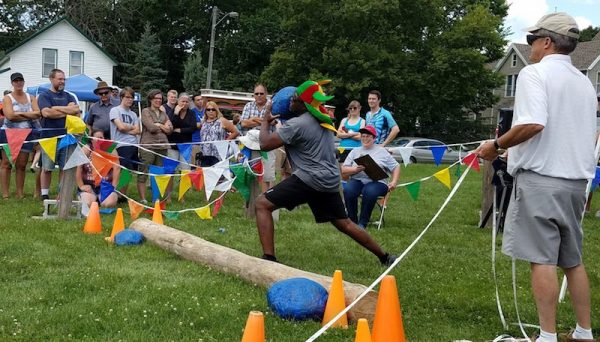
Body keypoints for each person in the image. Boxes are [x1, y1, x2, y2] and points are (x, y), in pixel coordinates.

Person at [476, 12, 596, 342]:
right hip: (575, 183)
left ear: (546, 42)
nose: (529, 46)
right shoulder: (584, 82)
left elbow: (533, 124)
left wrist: (496, 145)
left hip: (542, 180)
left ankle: (546, 336)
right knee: (572, 261)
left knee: (540, 259)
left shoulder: (534, 75)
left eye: (532, 40)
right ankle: (584, 332)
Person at [255, 80, 396, 266]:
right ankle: (385, 257)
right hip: (329, 180)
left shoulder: (297, 124)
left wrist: (265, 121)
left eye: (294, 99)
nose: (290, 101)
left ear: (303, 104)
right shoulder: (323, 120)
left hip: (309, 179)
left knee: (262, 204)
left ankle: (269, 259)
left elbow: (264, 144)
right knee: (344, 223)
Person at [341, 125, 400, 228]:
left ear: (374, 138)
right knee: (348, 190)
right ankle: (352, 221)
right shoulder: (355, 151)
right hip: (358, 180)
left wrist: (394, 182)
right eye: (363, 136)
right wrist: (354, 169)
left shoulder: (382, 151)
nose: (365, 138)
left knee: (369, 191)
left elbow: (396, 166)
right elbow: (344, 169)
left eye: (368, 136)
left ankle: (363, 222)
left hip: (378, 182)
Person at [38, 69, 81, 200]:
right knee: (47, 167)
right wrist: (67, 111)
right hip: (49, 137)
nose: (62, 81)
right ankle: (44, 194)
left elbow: (76, 111)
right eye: (59, 79)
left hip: (67, 137)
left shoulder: (69, 96)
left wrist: (55, 108)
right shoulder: (44, 96)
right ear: (51, 79)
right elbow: (46, 113)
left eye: (64, 79)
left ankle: (61, 193)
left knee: (65, 167)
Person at [1, 72, 41, 199]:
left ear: (23, 82)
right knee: (6, 164)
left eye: (20, 80)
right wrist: (29, 114)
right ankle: (6, 194)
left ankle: (20, 193)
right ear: (12, 83)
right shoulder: (7, 98)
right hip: (8, 133)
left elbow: (38, 114)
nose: (18, 83)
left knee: (22, 165)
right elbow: (9, 116)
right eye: (15, 81)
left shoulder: (31, 97)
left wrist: (18, 114)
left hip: (27, 134)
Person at [137, 89, 172, 204]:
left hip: (162, 146)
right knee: (144, 171)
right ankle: (143, 199)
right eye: (156, 98)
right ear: (151, 99)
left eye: (160, 98)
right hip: (148, 146)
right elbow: (151, 128)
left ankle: (155, 197)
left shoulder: (164, 113)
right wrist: (163, 126)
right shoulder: (145, 111)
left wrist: (159, 125)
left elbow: (170, 129)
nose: (158, 100)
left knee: (159, 173)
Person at [241, 84, 277, 191]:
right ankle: (252, 202)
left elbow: (274, 122)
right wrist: (263, 121)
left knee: (268, 175)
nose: (259, 96)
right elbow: (243, 124)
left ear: (266, 94)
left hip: (268, 144)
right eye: (257, 94)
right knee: (251, 172)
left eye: (261, 93)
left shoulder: (272, 106)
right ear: (253, 95)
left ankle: (268, 202)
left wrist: (253, 119)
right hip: (250, 144)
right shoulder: (248, 106)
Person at [109, 87, 140, 198]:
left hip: (133, 145)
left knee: (128, 171)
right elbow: (120, 127)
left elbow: (138, 130)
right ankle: (114, 193)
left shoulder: (133, 114)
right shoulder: (115, 110)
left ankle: (122, 195)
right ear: (121, 97)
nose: (130, 100)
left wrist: (127, 128)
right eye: (127, 97)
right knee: (120, 170)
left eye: (132, 98)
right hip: (120, 145)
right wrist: (131, 128)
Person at [76, 129, 120, 208]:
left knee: (108, 204)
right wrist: (81, 186)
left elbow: (117, 168)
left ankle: (102, 199)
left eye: (102, 137)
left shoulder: (111, 149)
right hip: (89, 186)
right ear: (92, 139)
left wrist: (113, 187)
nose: (101, 139)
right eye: (98, 137)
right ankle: (93, 198)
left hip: (106, 186)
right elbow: (78, 168)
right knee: (88, 203)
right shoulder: (87, 149)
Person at [198, 101, 239, 167]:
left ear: (216, 110)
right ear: (205, 111)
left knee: (219, 174)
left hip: (218, 154)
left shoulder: (222, 120)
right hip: (205, 154)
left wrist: (226, 141)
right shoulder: (203, 121)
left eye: (213, 109)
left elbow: (236, 132)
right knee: (206, 174)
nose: (211, 111)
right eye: (208, 109)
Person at [191, 94, 204, 165]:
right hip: (195, 142)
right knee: (194, 164)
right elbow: (195, 125)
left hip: (206, 142)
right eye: (198, 100)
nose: (200, 101)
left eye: (201, 99)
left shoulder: (207, 111)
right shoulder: (191, 112)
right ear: (194, 102)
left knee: (204, 164)